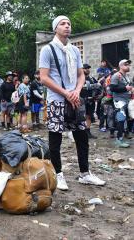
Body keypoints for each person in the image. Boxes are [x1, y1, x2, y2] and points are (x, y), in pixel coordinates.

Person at [39, 15, 105, 191]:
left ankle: (85, 173)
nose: (67, 26)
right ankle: (58, 174)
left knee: (82, 135)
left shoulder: (74, 50)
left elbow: (81, 75)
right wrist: (65, 93)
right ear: (55, 28)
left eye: (69, 23)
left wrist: (76, 91)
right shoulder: (48, 49)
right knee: (56, 137)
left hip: (74, 99)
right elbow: (44, 78)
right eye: (62, 24)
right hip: (56, 100)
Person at [110, 59, 133, 148]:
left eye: (128, 64)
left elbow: (128, 86)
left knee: (125, 120)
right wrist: (125, 89)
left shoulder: (126, 76)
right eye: (126, 64)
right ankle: (118, 140)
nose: (128, 66)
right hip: (119, 101)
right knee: (121, 119)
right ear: (121, 66)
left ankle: (122, 137)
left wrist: (130, 89)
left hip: (126, 100)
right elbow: (112, 88)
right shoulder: (116, 75)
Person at [80, 64, 101, 139]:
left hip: (90, 101)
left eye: (88, 68)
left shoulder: (92, 78)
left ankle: (87, 132)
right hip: (81, 100)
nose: (87, 69)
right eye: (85, 68)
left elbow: (98, 87)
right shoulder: (78, 78)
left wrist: (97, 95)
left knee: (89, 116)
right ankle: (81, 133)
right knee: (81, 117)